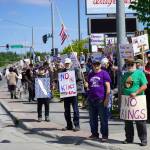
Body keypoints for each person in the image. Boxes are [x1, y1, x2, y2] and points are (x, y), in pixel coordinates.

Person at [121, 58, 148, 146]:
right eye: (127, 65)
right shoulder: (125, 74)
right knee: (127, 122)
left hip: (138, 101)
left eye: (131, 64)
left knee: (140, 122)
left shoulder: (140, 73)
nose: (129, 66)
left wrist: (136, 93)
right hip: (127, 101)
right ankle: (129, 138)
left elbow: (144, 86)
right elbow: (123, 86)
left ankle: (143, 140)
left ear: (135, 64)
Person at [84, 58, 111, 142]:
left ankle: (104, 135)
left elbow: (108, 87)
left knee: (103, 118)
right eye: (95, 64)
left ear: (100, 65)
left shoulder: (104, 73)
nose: (96, 66)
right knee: (92, 119)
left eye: (98, 64)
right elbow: (89, 87)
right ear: (92, 65)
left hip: (101, 99)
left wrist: (107, 98)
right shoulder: (90, 74)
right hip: (91, 99)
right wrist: (86, 85)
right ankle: (94, 134)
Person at [61, 58, 80, 132]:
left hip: (73, 93)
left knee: (75, 110)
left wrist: (76, 89)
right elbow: (61, 82)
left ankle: (77, 125)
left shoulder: (75, 70)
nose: (67, 65)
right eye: (66, 63)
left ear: (71, 63)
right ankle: (69, 125)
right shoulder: (62, 72)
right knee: (67, 110)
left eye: (68, 63)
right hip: (66, 94)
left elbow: (79, 81)